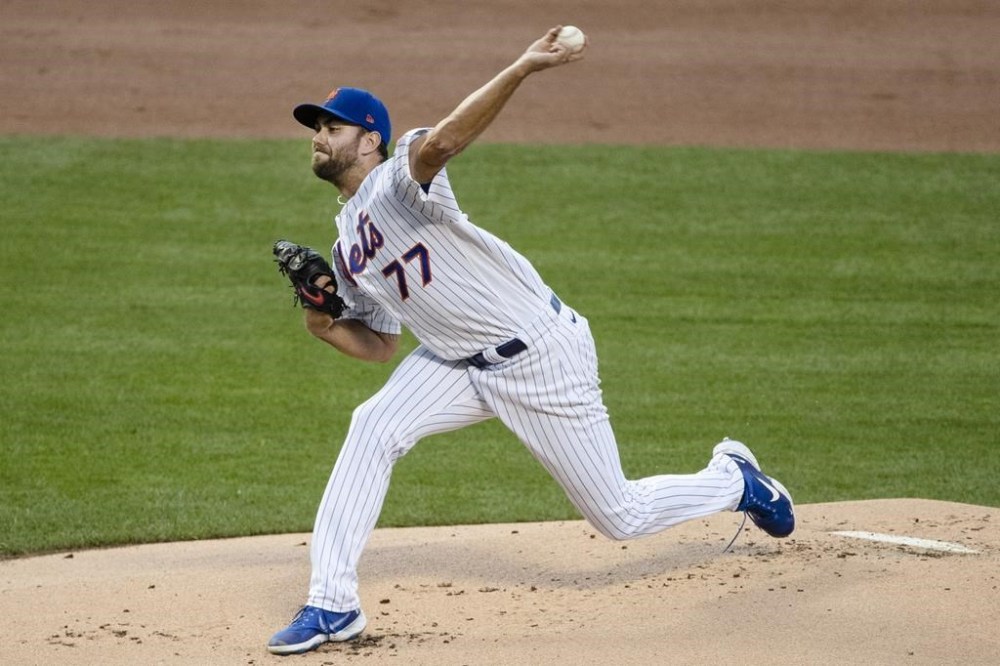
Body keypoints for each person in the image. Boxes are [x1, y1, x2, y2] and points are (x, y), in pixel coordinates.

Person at [267, 26, 795, 656]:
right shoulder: (346, 242)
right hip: (454, 361)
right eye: (315, 127)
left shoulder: (397, 182)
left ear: (370, 138)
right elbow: (378, 345)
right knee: (372, 426)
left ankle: (735, 480)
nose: (319, 136)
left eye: (333, 125)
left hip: (540, 354)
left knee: (619, 515)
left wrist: (521, 67)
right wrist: (318, 311)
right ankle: (332, 604)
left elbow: (444, 140)